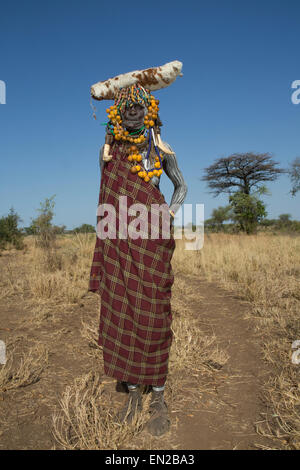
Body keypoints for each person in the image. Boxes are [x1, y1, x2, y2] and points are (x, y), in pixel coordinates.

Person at [89, 64, 187, 436]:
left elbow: (180, 187)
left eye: (139, 107)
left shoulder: (162, 150)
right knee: (120, 310)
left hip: (151, 243)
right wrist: (108, 148)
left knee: (154, 314)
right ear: (117, 113)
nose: (132, 112)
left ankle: (158, 394)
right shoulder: (107, 152)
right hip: (118, 244)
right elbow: (105, 193)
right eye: (125, 108)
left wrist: (167, 215)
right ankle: (133, 393)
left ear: (150, 112)